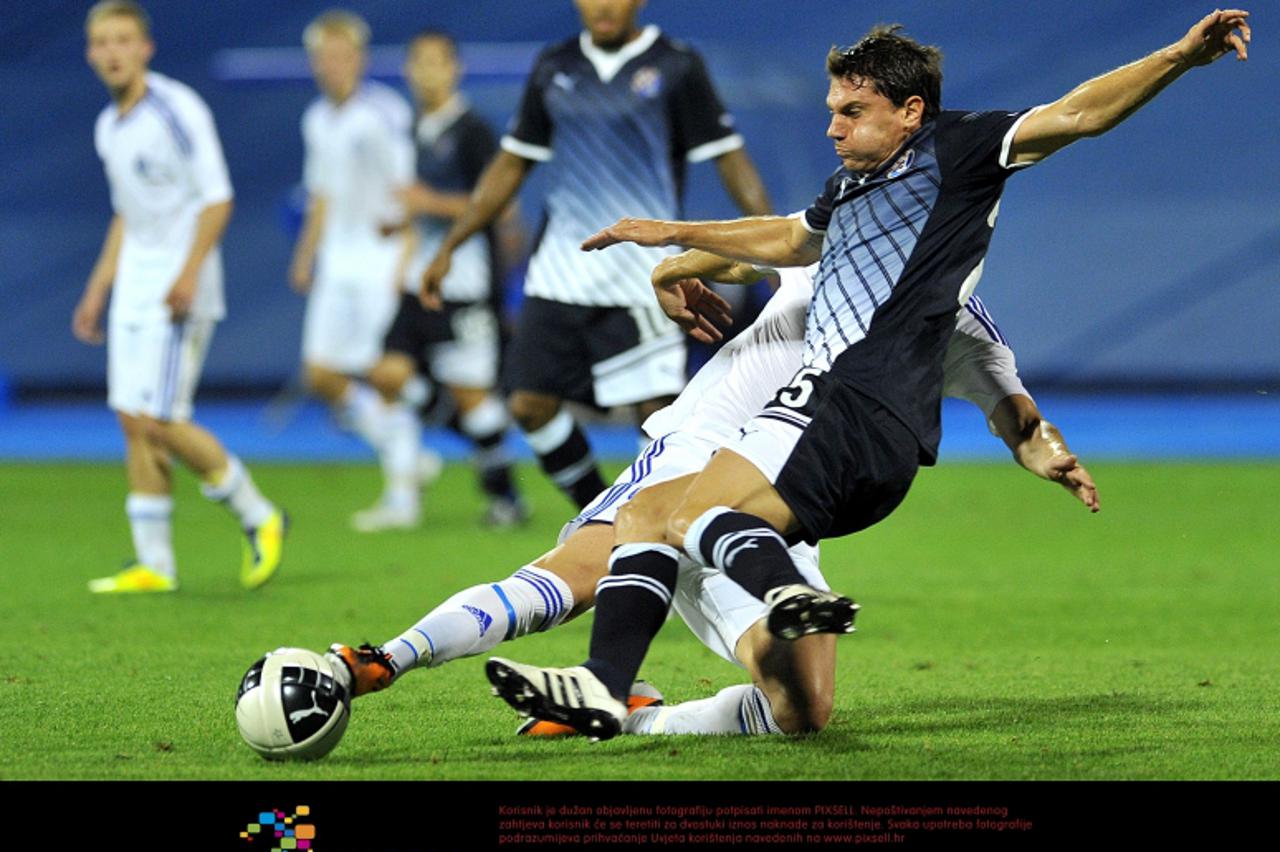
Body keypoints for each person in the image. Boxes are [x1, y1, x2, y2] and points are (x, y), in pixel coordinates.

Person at [484, 10, 1251, 738]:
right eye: (831, 109)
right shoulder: (848, 191)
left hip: (838, 400)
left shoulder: (964, 149)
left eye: (851, 110)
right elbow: (789, 237)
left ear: (910, 110)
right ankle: (657, 663)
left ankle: (643, 661)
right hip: (888, 448)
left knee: (666, 517)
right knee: (682, 525)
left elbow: (1079, 112)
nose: (832, 127)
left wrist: (1181, 55)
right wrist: (679, 239)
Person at [324, 251, 1097, 740]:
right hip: (698, 447)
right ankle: (382, 661)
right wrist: (677, 266)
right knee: (569, 577)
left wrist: (1052, 457)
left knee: (803, 711)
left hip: (783, 497)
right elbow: (753, 241)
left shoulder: (958, 326)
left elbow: (1017, 415)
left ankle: (634, 719)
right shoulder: (836, 245)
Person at [420, 0, 773, 511]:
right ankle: (598, 515)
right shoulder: (554, 65)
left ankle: (657, 541)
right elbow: (511, 163)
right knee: (529, 405)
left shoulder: (676, 64)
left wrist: (771, 246)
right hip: (560, 273)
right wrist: (453, 243)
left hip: (645, 277)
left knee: (658, 420)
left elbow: (729, 156)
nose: (603, 4)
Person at [72, 1, 286, 593]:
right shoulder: (108, 126)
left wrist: (188, 272)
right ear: (92, 53)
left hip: (177, 285)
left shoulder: (175, 110)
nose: (113, 51)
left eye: (123, 40)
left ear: (146, 47)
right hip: (135, 286)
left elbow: (217, 199)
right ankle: (155, 565)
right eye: (102, 42)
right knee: (131, 419)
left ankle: (260, 516)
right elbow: (126, 212)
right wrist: (99, 287)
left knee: (161, 419)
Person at [362, 30, 526, 531]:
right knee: (386, 374)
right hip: (420, 281)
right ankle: (421, 464)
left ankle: (507, 498)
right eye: (417, 62)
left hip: (465, 284)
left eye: (436, 62)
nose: (426, 71)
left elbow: (497, 204)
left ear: (454, 68)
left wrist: (426, 203)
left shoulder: (473, 130)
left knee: (474, 399)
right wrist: (402, 232)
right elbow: (421, 206)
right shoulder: (416, 129)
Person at [287, 10, 432, 529]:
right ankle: (409, 455)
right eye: (324, 57)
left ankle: (402, 499)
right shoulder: (316, 118)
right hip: (337, 264)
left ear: (361, 59)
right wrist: (306, 256)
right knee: (320, 371)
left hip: (379, 262)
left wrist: (406, 259)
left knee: (385, 376)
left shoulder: (384, 112)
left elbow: (407, 191)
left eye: (343, 55)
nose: (333, 65)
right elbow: (320, 195)